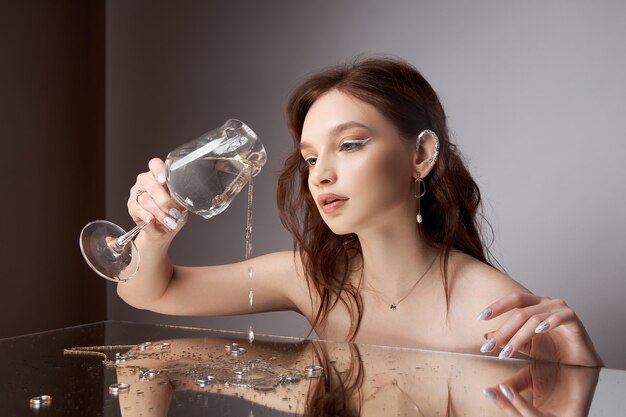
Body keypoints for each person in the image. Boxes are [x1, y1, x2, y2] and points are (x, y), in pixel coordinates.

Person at [117, 57, 603, 367]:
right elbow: (151, 292)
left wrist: (582, 372)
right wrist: (154, 231)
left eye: (349, 145)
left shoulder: (492, 311)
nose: (320, 174)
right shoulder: (315, 277)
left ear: (421, 155)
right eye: (310, 158)